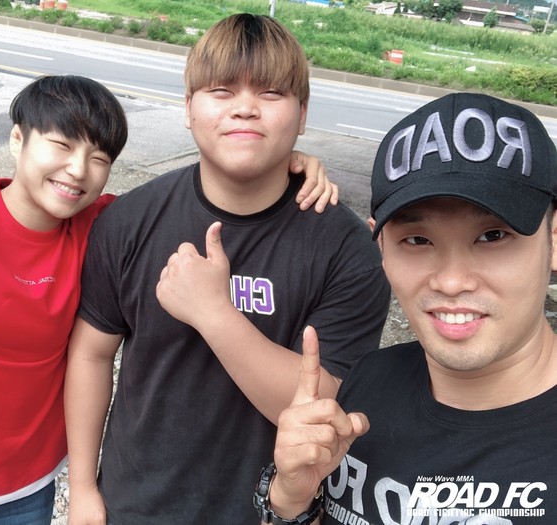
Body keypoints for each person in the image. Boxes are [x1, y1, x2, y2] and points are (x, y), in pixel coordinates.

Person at [0, 74, 334, 524]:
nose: (78, 170)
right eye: (62, 145)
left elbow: (200, 201)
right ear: (18, 139)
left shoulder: (102, 227)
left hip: (27, 494)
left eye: (99, 158)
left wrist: (281, 164)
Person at [65, 13, 390, 525]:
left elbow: (319, 405)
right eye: (221, 91)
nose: (244, 107)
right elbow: (91, 354)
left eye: (271, 93)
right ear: (188, 108)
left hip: (264, 512)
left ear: (302, 115)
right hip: (133, 504)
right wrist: (83, 488)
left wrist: (214, 313)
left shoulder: (347, 249)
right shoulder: (130, 219)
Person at [260, 92, 557, 524]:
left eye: (493, 236)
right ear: (380, 246)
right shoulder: (369, 383)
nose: (451, 281)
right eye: (417, 240)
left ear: (553, 238)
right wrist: (290, 502)